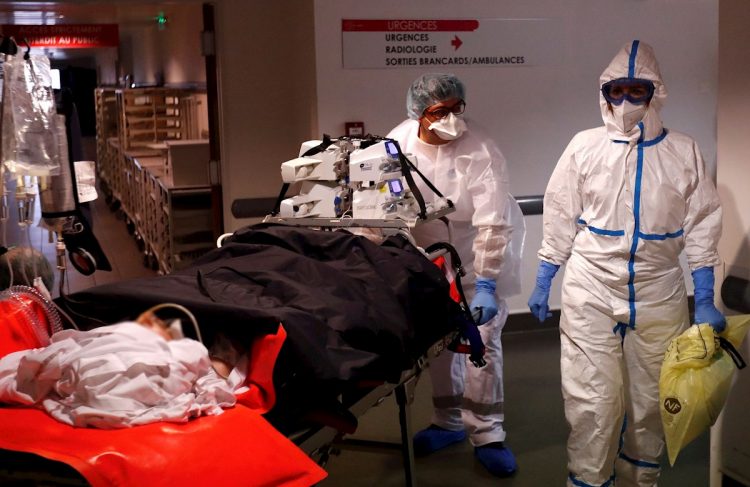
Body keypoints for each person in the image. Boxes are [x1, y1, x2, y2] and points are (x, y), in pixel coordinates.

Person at [527, 40, 724, 486]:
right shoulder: (584, 147)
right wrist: (544, 277)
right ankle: (588, 480)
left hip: (659, 291)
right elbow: (560, 213)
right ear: (605, 92)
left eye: (637, 90)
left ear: (656, 92)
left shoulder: (684, 151)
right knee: (591, 399)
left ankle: (640, 480)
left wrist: (706, 296)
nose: (625, 101)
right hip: (591, 287)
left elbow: (703, 224)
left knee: (652, 400)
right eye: (617, 90)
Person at [387, 73, 517, 477]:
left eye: (456, 108)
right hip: (426, 262)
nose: (451, 118)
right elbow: (386, 203)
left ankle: (488, 432)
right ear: (418, 114)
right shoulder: (399, 142)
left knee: (482, 344)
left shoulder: (480, 148)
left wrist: (488, 283)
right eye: (439, 111)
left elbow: (493, 221)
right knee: (439, 344)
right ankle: (448, 422)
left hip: (476, 258)